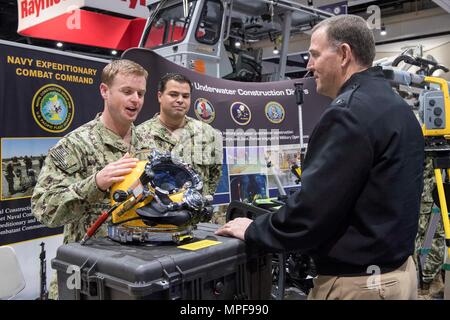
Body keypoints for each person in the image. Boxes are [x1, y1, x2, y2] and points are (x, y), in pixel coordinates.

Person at [216, 15, 425, 300]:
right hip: (399, 274)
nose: (308, 65)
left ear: (343, 54)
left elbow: (312, 213)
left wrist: (255, 230)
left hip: (359, 285)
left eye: (314, 55)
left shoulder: (348, 113)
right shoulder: (397, 106)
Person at [32, 59, 148, 299]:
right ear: (105, 91)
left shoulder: (149, 144)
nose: (136, 99)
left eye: (140, 93)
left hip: (139, 270)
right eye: (127, 91)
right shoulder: (74, 145)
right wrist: (95, 184)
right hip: (89, 276)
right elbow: (44, 208)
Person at [137, 73, 223, 216]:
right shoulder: (138, 135)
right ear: (160, 96)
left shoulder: (208, 133)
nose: (180, 100)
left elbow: (215, 173)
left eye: (185, 96)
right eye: (173, 94)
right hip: (156, 223)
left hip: (197, 222)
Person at [415, 157, 445, 299]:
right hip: (419, 188)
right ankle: (420, 284)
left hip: (438, 182)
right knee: (418, 233)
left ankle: (431, 279)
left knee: (438, 232)